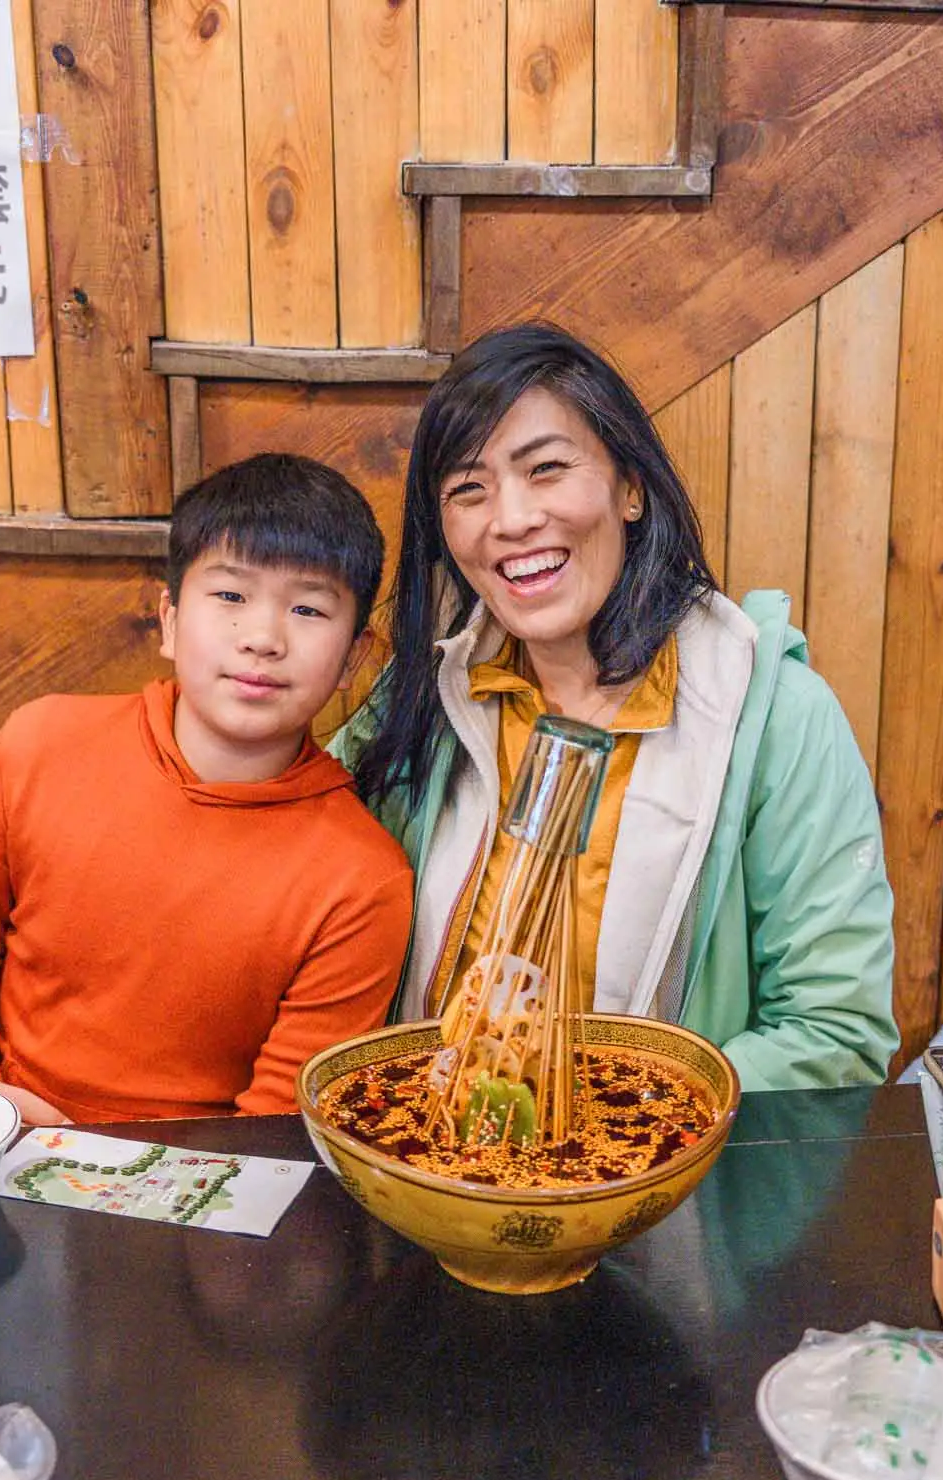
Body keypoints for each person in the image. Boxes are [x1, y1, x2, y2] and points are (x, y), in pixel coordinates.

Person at [330, 323, 898, 1089]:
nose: (510, 519)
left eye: (546, 469)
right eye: (468, 489)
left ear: (630, 488)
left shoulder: (771, 717)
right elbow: (292, 854)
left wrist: (604, 1131)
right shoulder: (419, 698)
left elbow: (835, 1032)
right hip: (432, 1172)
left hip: (652, 1187)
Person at [0, 454, 413, 1126]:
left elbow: (274, 1129)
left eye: (308, 608)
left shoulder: (362, 879)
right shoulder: (40, 744)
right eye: (230, 596)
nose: (262, 638)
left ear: (353, 657)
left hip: (201, 1195)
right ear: (169, 620)